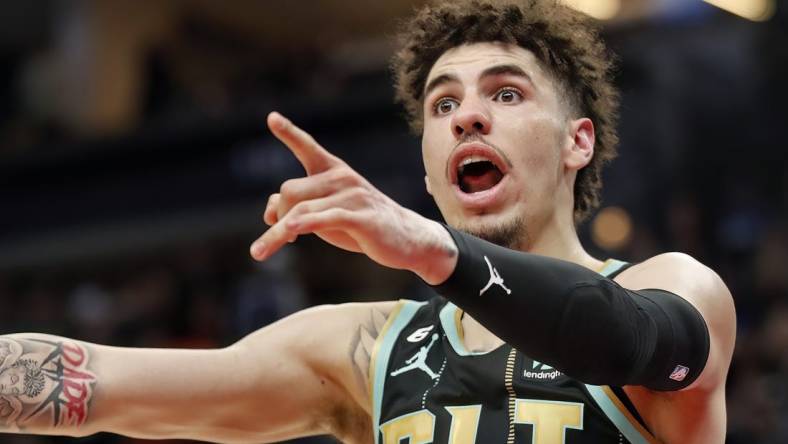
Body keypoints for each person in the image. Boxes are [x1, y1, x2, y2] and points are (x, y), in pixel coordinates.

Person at [1, 1, 735, 443]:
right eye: (443, 106)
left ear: (577, 141)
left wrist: (439, 254)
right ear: (426, 168)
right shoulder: (368, 348)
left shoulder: (673, 286)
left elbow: (625, 341)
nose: (468, 114)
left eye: (506, 94)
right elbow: (96, 384)